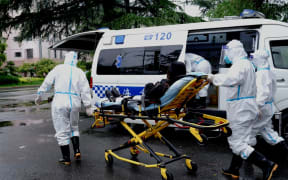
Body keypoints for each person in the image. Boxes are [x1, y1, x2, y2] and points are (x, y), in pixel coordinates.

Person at [207, 40, 278, 180]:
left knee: (237, 143)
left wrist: (213, 78)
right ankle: (233, 170)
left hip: (240, 109)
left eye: (227, 52)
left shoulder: (239, 65)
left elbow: (232, 79)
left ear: (233, 51)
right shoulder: (248, 64)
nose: (226, 55)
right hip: (247, 106)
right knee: (243, 140)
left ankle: (266, 165)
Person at [35, 51, 92, 165]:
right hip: (75, 103)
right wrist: (88, 105)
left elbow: (47, 82)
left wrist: (40, 94)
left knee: (62, 130)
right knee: (74, 127)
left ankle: (66, 158)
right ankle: (77, 150)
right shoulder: (79, 72)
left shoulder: (58, 68)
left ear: (65, 59)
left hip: (60, 102)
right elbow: (85, 90)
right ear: (75, 61)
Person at [249, 50, 288, 154]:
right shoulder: (269, 72)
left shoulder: (261, 74)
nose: (252, 60)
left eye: (254, 58)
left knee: (249, 132)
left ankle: (251, 158)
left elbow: (263, 93)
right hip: (268, 106)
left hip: (262, 108)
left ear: (259, 59)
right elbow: (272, 90)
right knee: (268, 132)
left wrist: (257, 107)